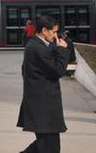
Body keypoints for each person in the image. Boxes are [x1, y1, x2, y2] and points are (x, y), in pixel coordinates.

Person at [18, 15, 70, 153]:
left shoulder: (38, 44)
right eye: (53, 32)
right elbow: (58, 70)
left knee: (46, 145)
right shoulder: (37, 47)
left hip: (42, 105)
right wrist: (62, 50)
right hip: (42, 107)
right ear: (44, 30)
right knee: (49, 146)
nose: (55, 35)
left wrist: (57, 49)